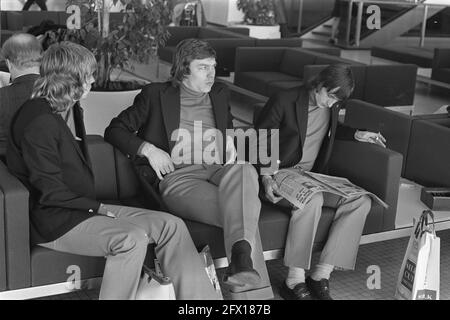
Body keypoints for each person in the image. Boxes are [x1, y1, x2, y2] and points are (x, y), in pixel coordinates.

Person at [6, 41, 219, 300]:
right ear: (70, 79)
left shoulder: (70, 107)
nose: (94, 79)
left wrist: (99, 208)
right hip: (56, 219)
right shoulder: (38, 120)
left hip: (83, 209)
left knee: (171, 226)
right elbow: (51, 194)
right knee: (130, 238)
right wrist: (102, 210)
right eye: (89, 75)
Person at [104, 38, 269, 294]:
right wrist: (150, 150)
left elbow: (230, 128)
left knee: (246, 171)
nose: (212, 74)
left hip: (220, 170)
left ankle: (241, 261)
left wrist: (232, 144)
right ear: (184, 68)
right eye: (203, 67)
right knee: (244, 208)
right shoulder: (156, 95)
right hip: (180, 179)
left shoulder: (220, 93)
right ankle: (245, 271)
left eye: (213, 67)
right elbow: (114, 130)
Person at [254, 64, 386, 300]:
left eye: (338, 100)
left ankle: (320, 275)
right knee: (311, 199)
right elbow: (262, 137)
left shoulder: (331, 106)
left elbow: (332, 130)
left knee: (360, 201)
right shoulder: (284, 99)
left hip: (311, 176)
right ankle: (293, 280)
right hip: (280, 172)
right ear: (320, 84)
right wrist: (265, 177)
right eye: (331, 95)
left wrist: (357, 134)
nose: (332, 103)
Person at [0, 33, 42, 156]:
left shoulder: (2, 97)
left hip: (5, 167)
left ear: (8, 63)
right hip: (51, 168)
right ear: (40, 59)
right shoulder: (59, 93)